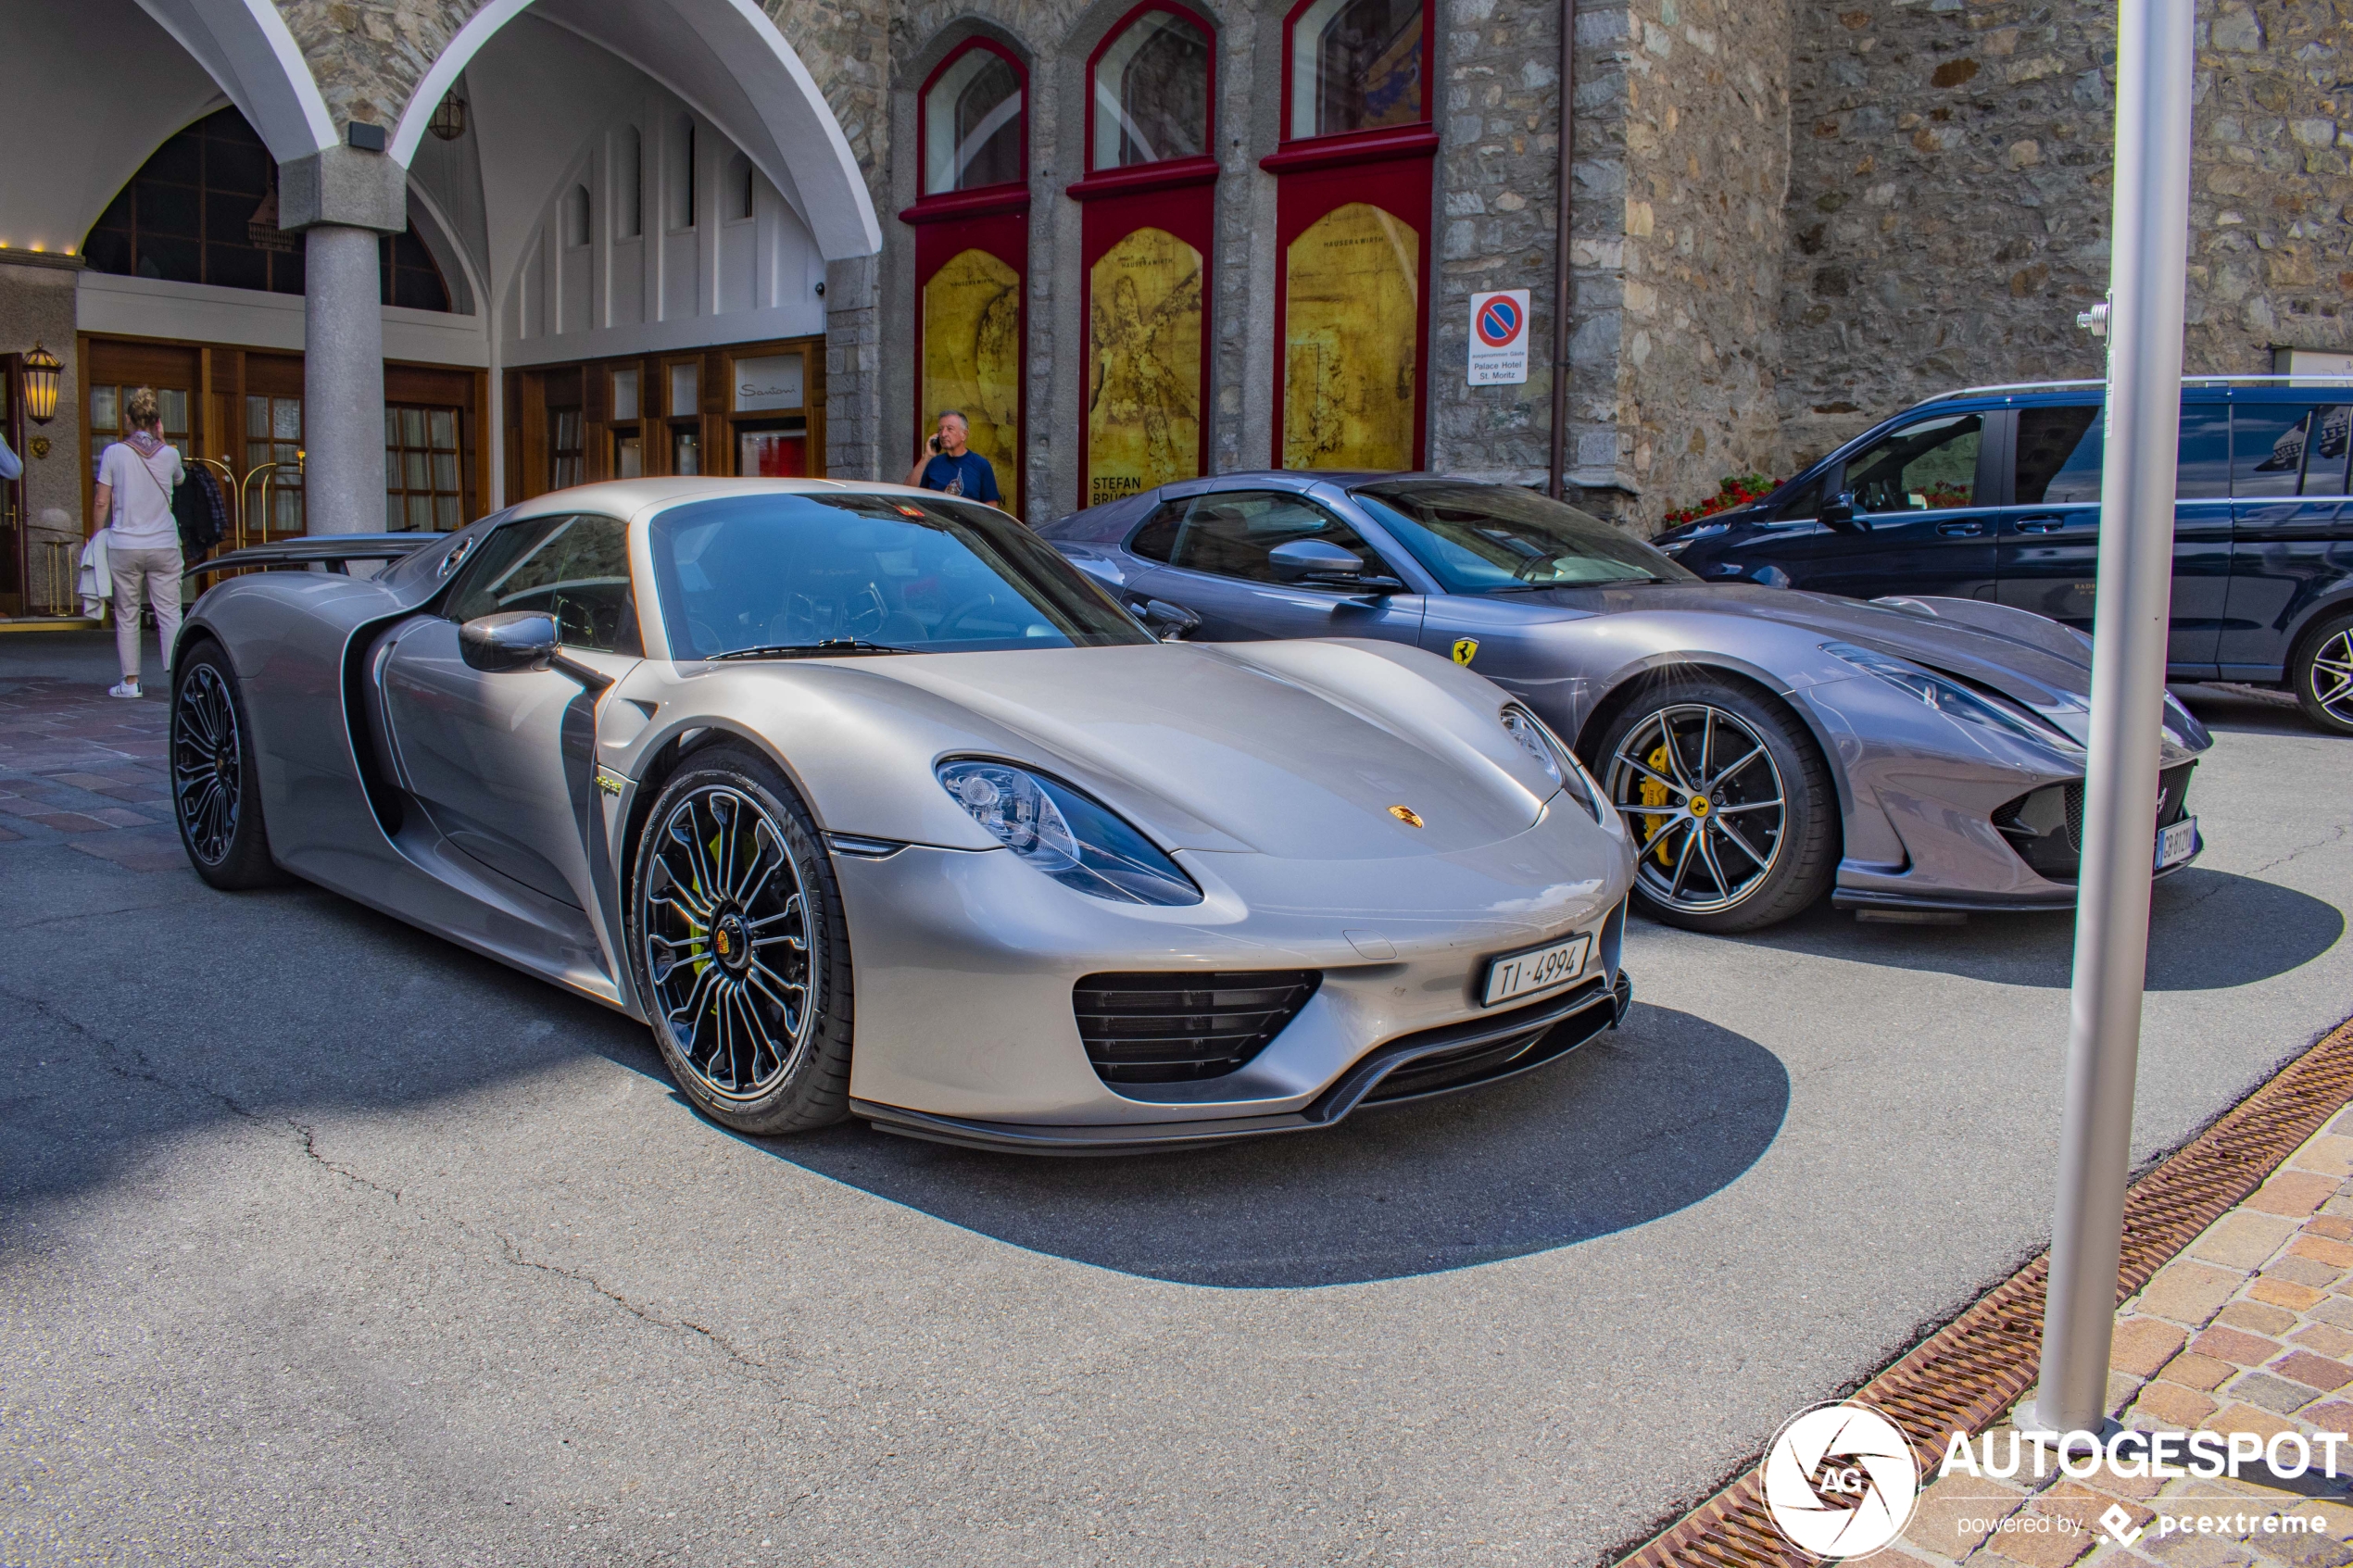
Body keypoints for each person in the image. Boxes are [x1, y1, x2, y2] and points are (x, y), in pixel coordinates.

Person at [91, 386, 185, 698]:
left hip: (125, 545)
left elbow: (102, 502)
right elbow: (180, 480)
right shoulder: (170, 454)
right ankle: (178, 682)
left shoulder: (113, 453)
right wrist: (162, 438)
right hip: (164, 545)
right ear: (157, 422)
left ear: (128, 420)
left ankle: (130, 683)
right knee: (170, 613)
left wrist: (96, 536)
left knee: (127, 612)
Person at [903, 410, 1003, 509]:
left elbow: (991, 507)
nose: (943, 434)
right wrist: (926, 457)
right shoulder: (932, 463)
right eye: (940, 429)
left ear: (964, 434)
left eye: (949, 429)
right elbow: (908, 491)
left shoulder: (981, 465)